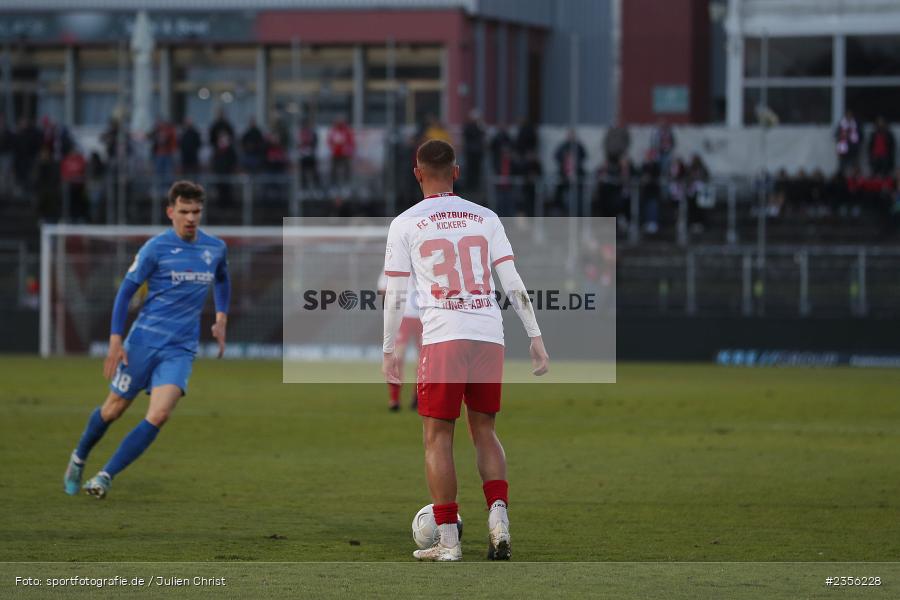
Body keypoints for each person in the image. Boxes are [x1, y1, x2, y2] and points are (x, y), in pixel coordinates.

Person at [382, 139, 550, 561]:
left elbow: (396, 295)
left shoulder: (405, 222)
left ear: (417, 173)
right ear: (457, 172)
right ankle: (498, 520)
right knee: (485, 430)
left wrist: (388, 350)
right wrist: (535, 335)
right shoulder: (486, 216)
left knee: (437, 436)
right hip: (488, 331)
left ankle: (449, 540)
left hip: (443, 335)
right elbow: (512, 281)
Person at [63, 181, 230, 499]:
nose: (191, 218)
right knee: (112, 410)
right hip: (142, 343)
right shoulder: (155, 248)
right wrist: (115, 340)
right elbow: (125, 292)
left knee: (160, 413)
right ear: (171, 212)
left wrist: (221, 319)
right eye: (184, 211)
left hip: (179, 348)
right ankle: (78, 457)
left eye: (196, 211)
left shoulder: (215, 248)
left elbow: (222, 278)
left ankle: (105, 476)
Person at [377, 273, 422, 412]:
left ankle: (418, 397)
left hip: (424, 316)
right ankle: (394, 399)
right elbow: (382, 287)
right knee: (398, 357)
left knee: (424, 360)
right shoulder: (395, 257)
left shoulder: (426, 255)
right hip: (403, 316)